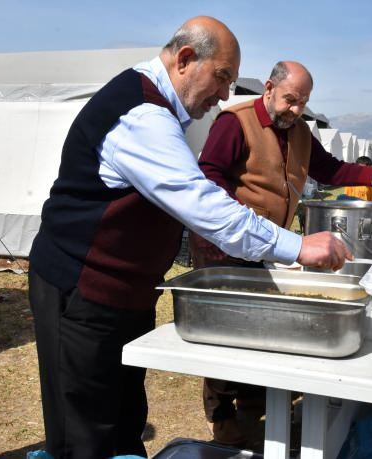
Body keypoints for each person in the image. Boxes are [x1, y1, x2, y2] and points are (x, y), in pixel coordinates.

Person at [28, 18, 353, 458]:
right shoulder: (141, 114)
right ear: (184, 59)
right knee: (84, 432)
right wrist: (297, 246)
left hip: (125, 293)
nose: (224, 93)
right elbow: (203, 202)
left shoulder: (161, 108)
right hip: (81, 288)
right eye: (221, 77)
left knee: (121, 418)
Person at [190, 60, 372, 445]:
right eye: (290, 100)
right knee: (227, 330)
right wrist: (236, 227)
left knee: (260, 330)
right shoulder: (235, 122)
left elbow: (331, 169)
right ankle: (221, 416)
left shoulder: (301, 131)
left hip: (270, 247)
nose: (295, 109)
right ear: (269, 88)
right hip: (225, 248)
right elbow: (209, 178)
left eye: (302, 103)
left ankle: (254, 408)